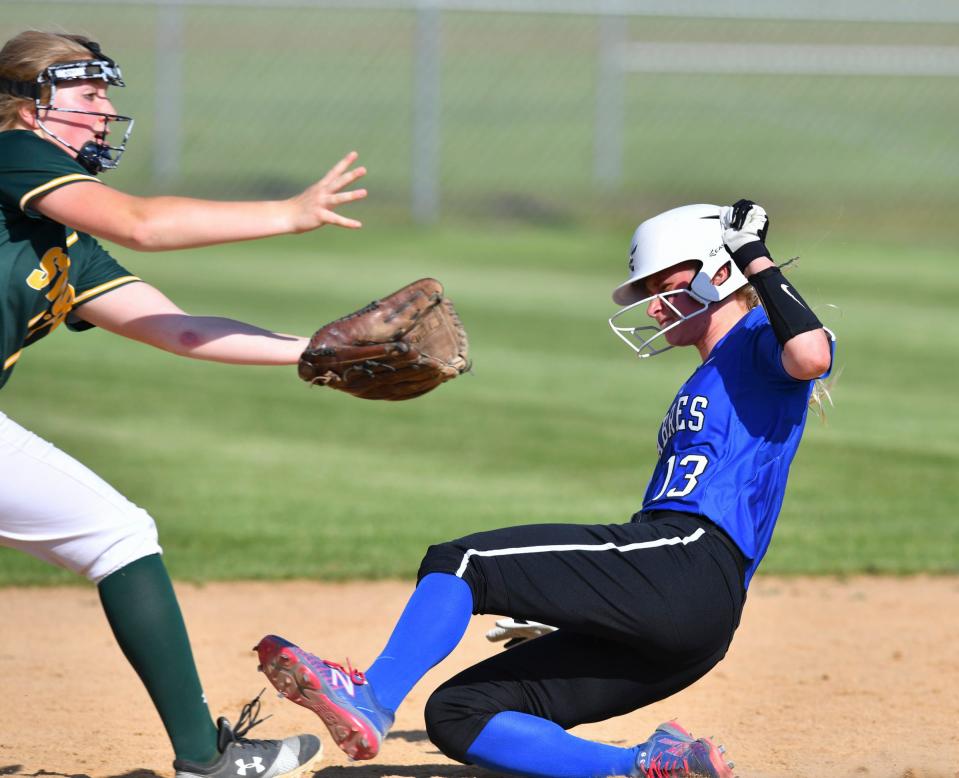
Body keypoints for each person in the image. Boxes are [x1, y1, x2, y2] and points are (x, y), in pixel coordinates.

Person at [255, 200, 836, 777]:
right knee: (459, 714)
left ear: (720, 272)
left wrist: (754, 255)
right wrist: (590, 607)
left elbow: (811, 352)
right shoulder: (712, 370)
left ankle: (371, 698)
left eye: (668, 284)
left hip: (690, 560)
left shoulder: (761, 337)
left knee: (464, 563)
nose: (654, 305)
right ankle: (647, 768)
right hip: (685, 606)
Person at [0, 30, 369, 778]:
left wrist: (318, 350)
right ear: (30, 108)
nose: (105, 113)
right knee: (117, 536)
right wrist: (287, 214)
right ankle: (206, 758)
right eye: (89, 95)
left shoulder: (59, 234)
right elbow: (144, 223)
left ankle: (206, 753)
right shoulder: (8, 155)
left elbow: (178, 328)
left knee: (116, 534)